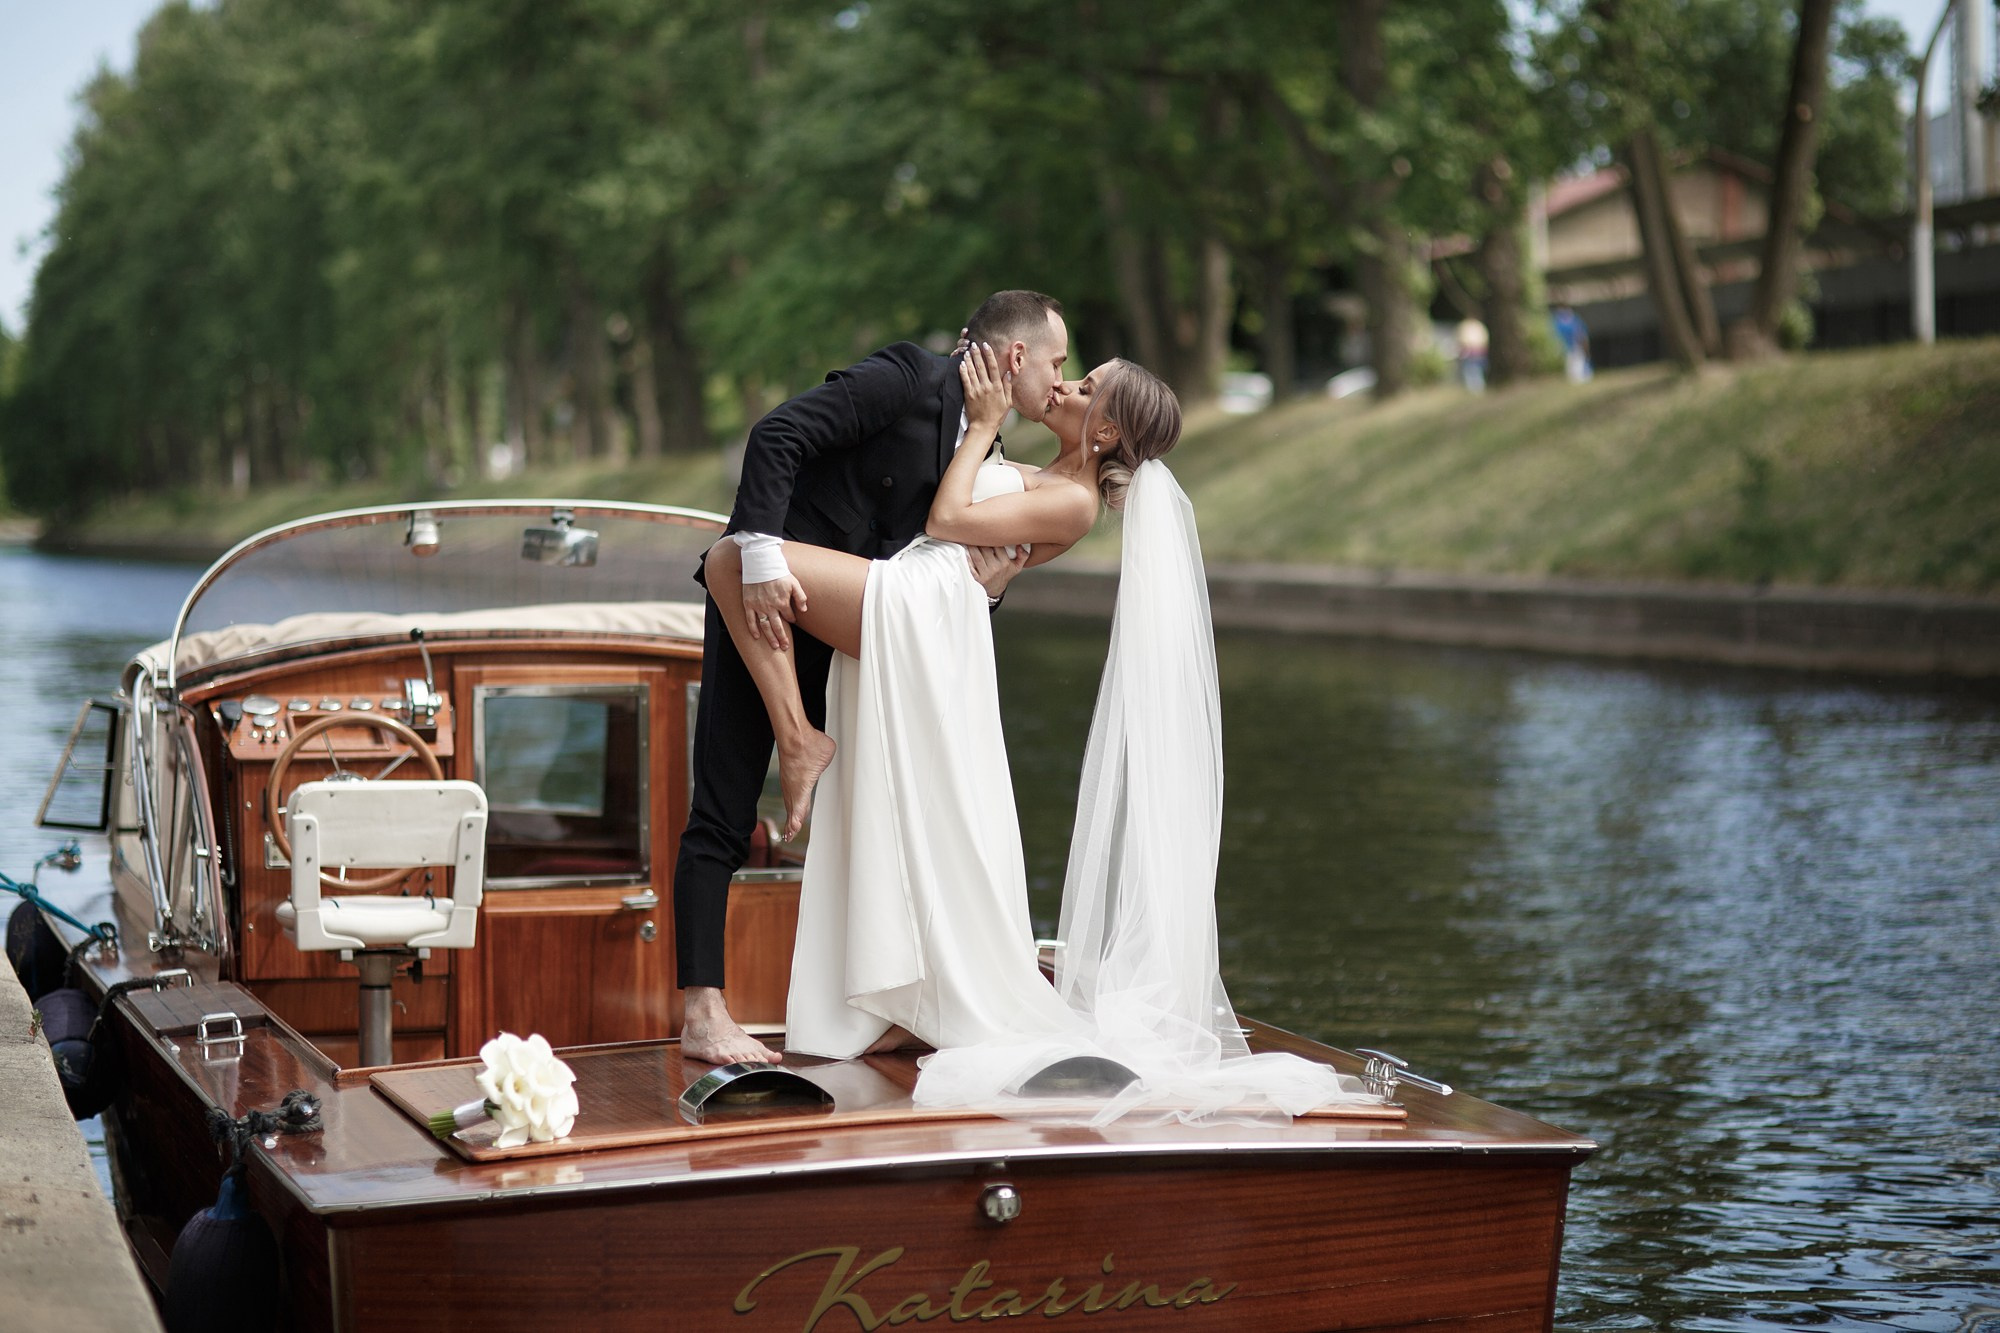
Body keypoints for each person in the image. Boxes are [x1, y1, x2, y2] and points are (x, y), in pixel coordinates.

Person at [706, 348, 1374, 1122]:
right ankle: (898, 986)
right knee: (901, 804)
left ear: (1106, 430)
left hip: (922, 609)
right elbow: (962, 528)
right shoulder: (1048, 475)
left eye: (1086, 386)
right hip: (926, 604)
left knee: (732, 559)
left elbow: (947, 518)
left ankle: (797, 738)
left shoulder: (1074, 501)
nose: (1066, 383)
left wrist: (985, 426)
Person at [675, 291, 1072, 1066]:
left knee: (890, 811)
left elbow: (934, 572)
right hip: (770, 601)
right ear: (1016, 357)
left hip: (860, 638)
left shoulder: (981, 453)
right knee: (722, 803)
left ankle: (907, 997)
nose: (1060, 381)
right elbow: (775, 435)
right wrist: (760, 562)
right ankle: (703, 1012)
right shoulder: (905, 377)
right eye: (1057, 363)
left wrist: (990, 587)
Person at [1553, 304, 1593, 383]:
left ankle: (1582, 377)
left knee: (1579, 362)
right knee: (1572, 364)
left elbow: (1581, 335)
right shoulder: (1559, 323)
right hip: (1568, 347)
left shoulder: (1575, 321)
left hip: (1576, 346)